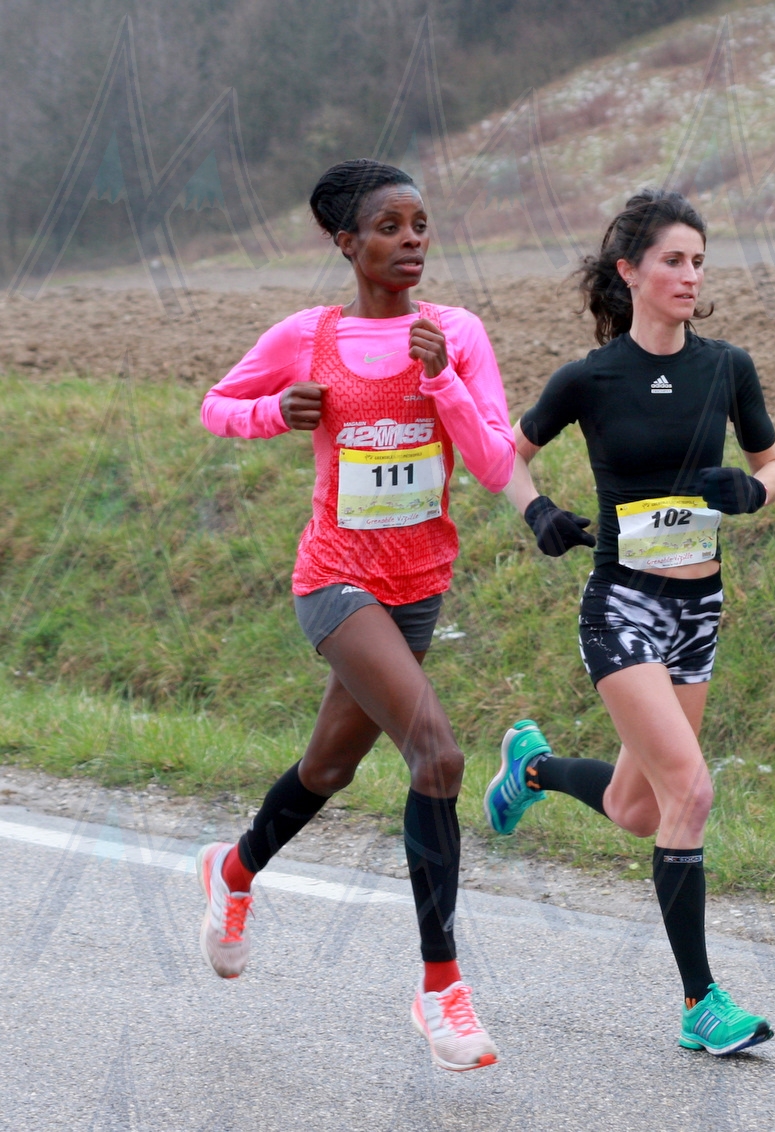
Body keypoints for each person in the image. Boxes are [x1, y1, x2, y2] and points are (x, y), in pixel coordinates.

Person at [196, 159, 515, 1072]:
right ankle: (440, 989)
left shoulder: (456, 333)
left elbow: (496, 462)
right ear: (347, 243)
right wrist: (274, 412)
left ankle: (234, 870)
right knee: (438, 755)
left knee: (329, 768)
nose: (412, 240)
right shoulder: (308, 336)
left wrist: (444, 381)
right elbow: (216, 406)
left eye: (420, 224)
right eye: (389, 227)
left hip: (419, 584)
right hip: (336, 579)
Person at [483, 189, 775, 1056]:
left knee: (638, 808)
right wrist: (537, 511)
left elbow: (774, 463)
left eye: (699, 262)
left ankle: (532, 769)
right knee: (692, 791)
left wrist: (752, 492)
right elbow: (506, 454)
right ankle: (701, 1004)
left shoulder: (727, 367)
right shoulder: (590, 378)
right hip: (622, 606)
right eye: (673, 261)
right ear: (630, 271)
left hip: (700, 609)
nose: (691, 276)